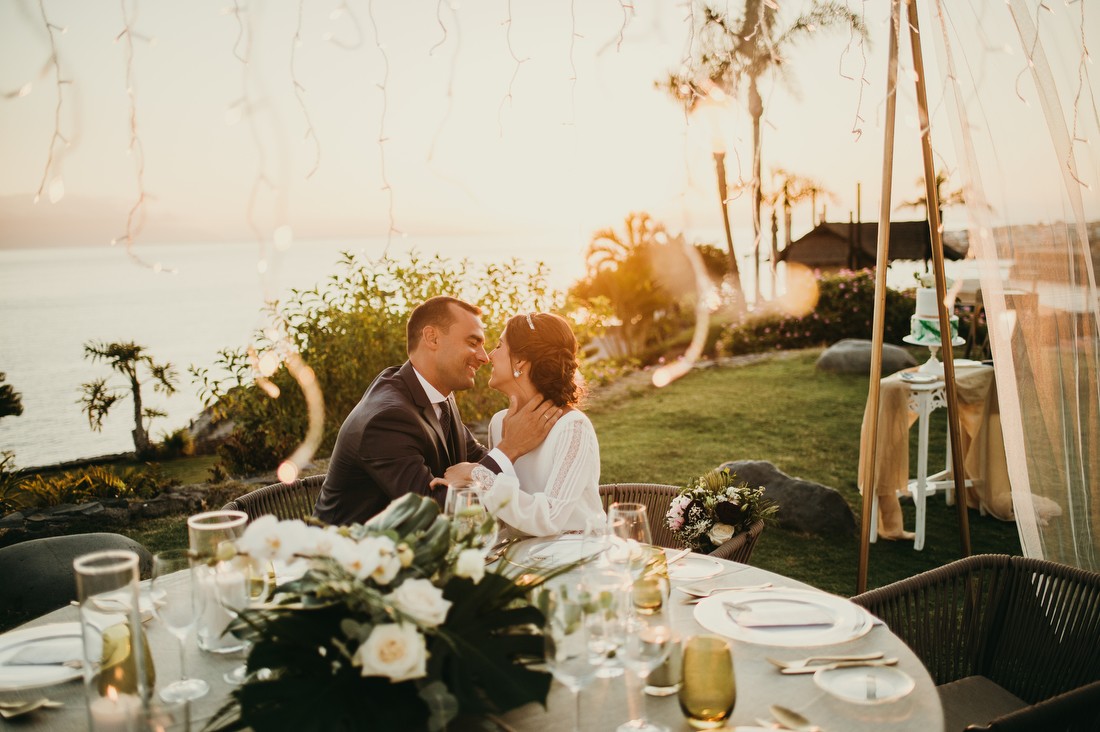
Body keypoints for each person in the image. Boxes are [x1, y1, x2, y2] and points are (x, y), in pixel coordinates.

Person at [312, 296, 561, 525]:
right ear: (432, 338)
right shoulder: (386, 419)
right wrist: (510, 448)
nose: (484, 357)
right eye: (473, 342)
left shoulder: (436, 395)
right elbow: (437, 511)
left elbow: (473, 458)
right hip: (349, 562)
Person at [436, 311, 604, 537]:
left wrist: (475, 472)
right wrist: (460, 492)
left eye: (499, 345)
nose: (489, 356)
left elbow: (550, 519)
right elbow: (504, 507)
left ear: (521, 361)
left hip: (575, 555)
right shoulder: (498, 423)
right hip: (518, 556)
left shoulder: (572, 427)